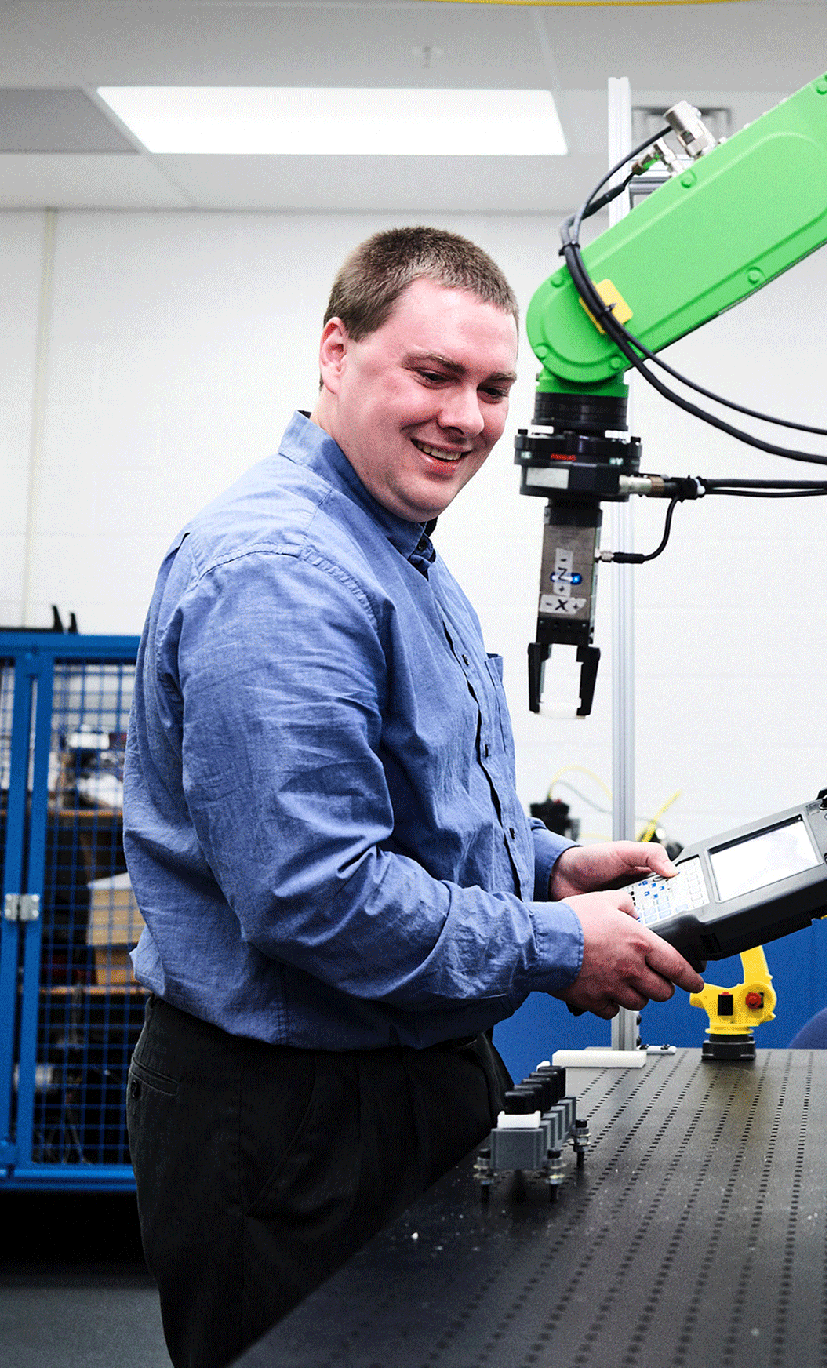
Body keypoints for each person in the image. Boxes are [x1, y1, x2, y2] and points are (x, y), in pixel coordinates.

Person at [122, 227, 702, 1368]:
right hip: (295, 1115)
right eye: (434, 375)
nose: (471, 418)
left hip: (400, 1077)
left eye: (493, 387)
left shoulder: (396, 553)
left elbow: (417, 800)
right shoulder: (285, 571)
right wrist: (549, 942)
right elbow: (314, 894)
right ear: (336, 353)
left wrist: (544, 866)